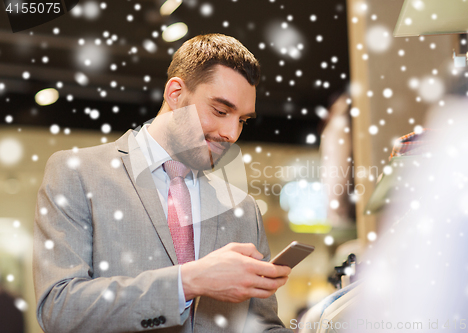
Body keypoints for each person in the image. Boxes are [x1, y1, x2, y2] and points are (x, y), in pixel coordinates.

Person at [33, 33, 292, 333]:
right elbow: (59, 308)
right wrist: (190, 281)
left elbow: (260, 325)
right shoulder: (77, 173)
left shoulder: (243, 209)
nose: (231, 133)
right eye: (220, 111)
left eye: (242, 120)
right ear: (175, 93)